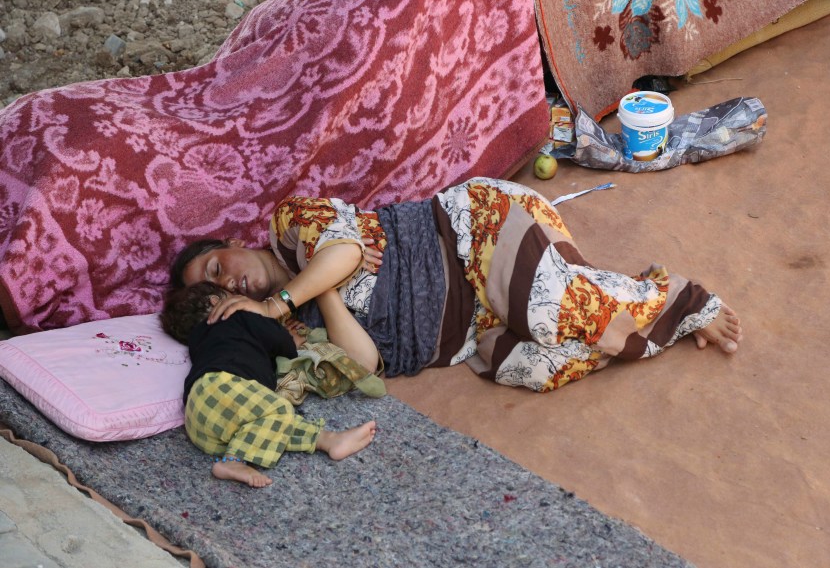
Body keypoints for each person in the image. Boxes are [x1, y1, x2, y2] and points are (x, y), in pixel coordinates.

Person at [170, 177, 743, 393]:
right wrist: (323, 293)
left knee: (548, 309)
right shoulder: (291, 326)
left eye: (218, 266)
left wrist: (284, 293)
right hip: (472, 332)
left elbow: (342, 249)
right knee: (529, 367)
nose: (232, 282)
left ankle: (680, 298)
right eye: (221, 294)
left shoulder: (290, 226)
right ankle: (623, 295)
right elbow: (366, 364)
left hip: (474, 233)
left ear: (234, 244)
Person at [160, 280, 379, 488]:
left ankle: (328, 440)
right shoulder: (238, 317)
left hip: (199, 417)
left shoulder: (200, 340)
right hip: (221, 384)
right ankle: (233, 461)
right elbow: (276, 338)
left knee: (269, 426)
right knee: (279, 409)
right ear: (217, 301)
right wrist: (291, 341)